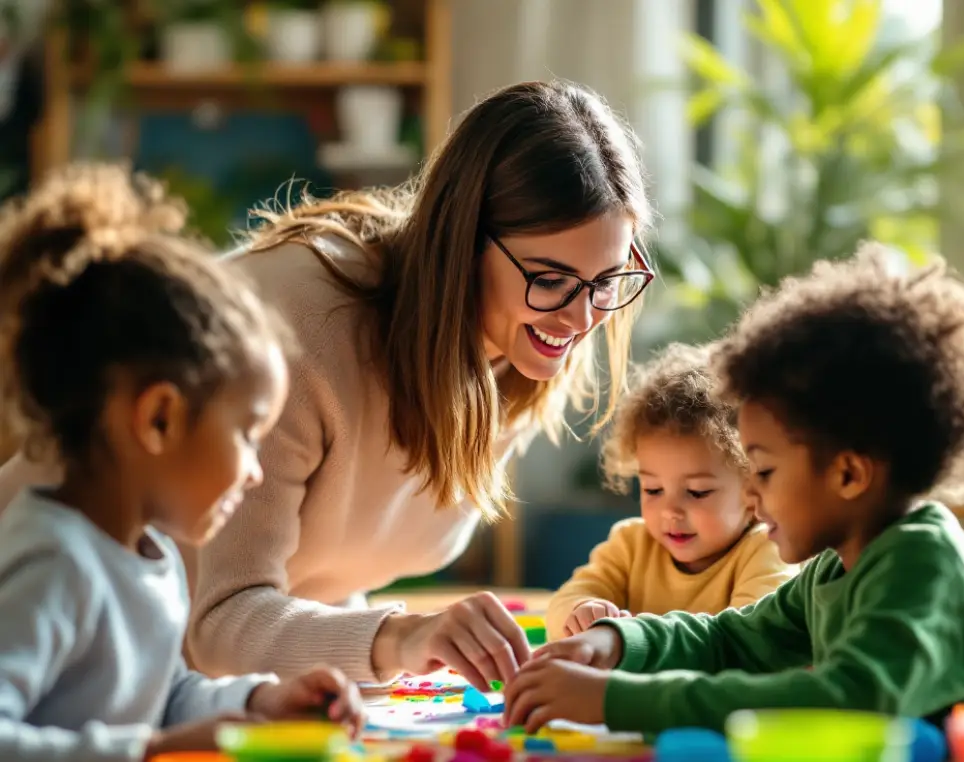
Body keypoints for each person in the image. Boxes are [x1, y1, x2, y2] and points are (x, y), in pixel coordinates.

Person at [0, 80, 655, 690]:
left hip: (159, 686)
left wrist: (388, 642)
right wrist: (399, 638)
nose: (582, 317)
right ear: (463, 242)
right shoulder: (301, 327)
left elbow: (318, 561)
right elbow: (220, 619)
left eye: (607, 280)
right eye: (550, 279)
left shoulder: (526, 348)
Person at [504, 244, 964, 733]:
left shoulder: (923, 565)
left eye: (764, 472)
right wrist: (616, 642)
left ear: (848, 475)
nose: (750, 497)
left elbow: (846, 703)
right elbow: (733, 638)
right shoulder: (834, 567)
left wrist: (612, 701)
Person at [0, 164, 365, 762]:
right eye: (247, 434)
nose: (253, 470)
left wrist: (256, 703)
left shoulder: (152, 555)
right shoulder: (53, 560)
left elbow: (164, 693)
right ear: (160, 419)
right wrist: (151, 749)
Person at [545, 343, 796, 641]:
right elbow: (560, 607)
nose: (670, 511)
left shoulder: (767, 548)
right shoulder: (630, 546)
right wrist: (583, 610)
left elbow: (750, 638)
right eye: (653, 489)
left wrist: (645, 640)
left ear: (753, 489)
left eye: (697, 492)